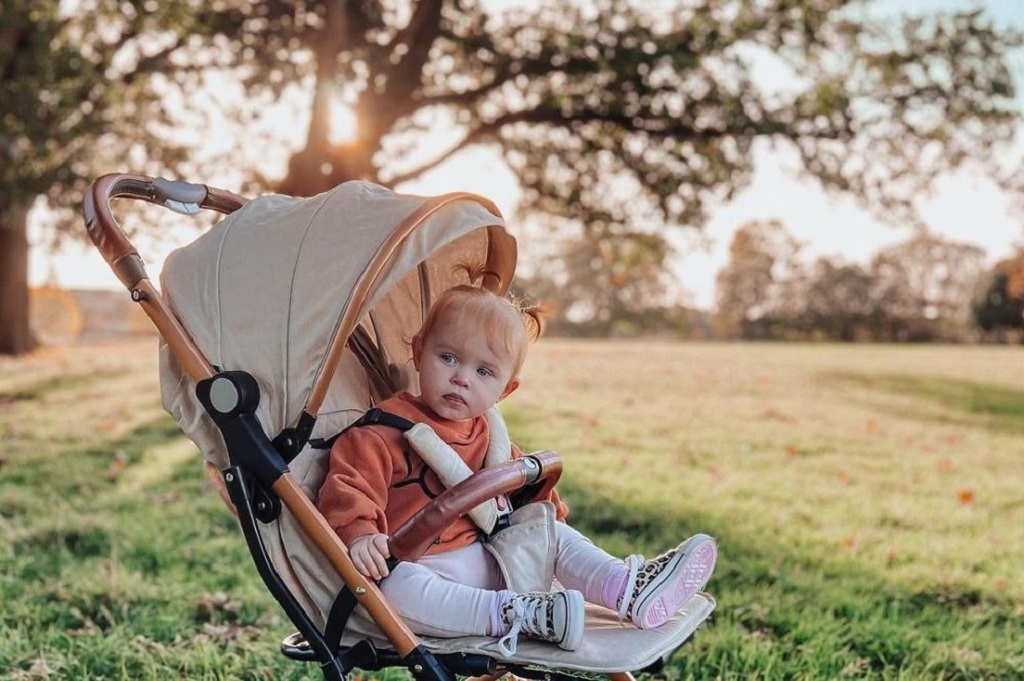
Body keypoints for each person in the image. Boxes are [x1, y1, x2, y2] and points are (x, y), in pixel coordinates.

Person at [317, 272, 717, 656]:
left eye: (483, 371)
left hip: (492, 557)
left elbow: (526, 493)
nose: (462, 378)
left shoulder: (491, 436)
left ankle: (626, 588)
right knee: (396, 588)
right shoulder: (382, 432)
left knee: (552, 535)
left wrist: (548, 522)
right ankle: (520, 615)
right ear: (419, 352)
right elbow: (348, 486)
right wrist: (360, 532)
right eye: (448, 358)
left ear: (505, 390)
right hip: (429, 569)